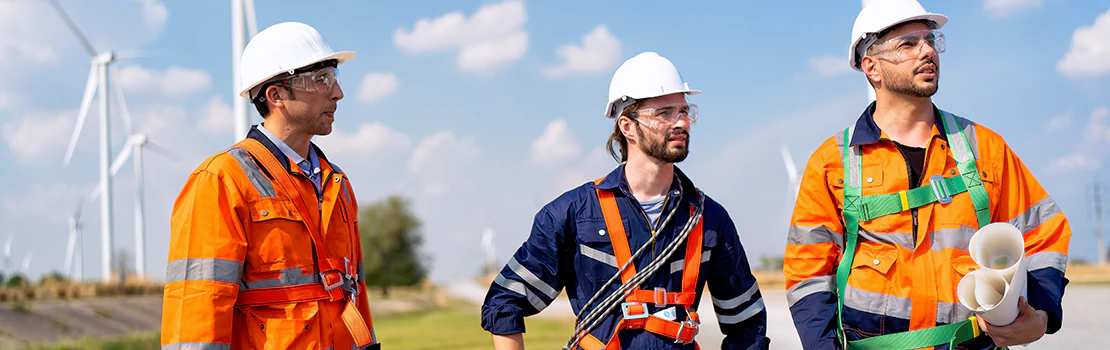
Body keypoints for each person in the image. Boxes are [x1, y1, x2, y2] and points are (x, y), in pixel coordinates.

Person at [784, 1, 1071, 349]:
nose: (928, 50)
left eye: (931, 40)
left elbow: (1044, 231)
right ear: (871, 66)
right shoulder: (833, 162)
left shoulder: (986, 150)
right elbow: (808, 274)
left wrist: (1041, 316)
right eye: (908, 44)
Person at [482, 52, 770, 350]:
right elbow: (505, 302)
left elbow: (747, 324)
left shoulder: (709, 218)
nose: (681, 122)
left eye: (684, 111)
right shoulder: (573, 213)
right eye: (664, 113)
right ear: (627, 126)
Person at [161, 22, 379, 349]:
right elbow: (196, 311)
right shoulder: (221, 181)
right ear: (276, 95)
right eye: (322, 80)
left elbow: (354, 296)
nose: (338, 93)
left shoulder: (338, 184)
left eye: (334, 78)